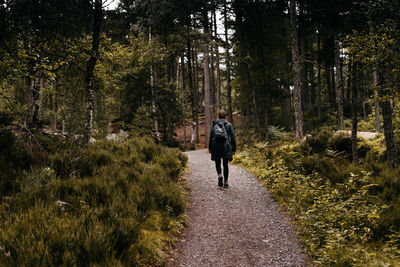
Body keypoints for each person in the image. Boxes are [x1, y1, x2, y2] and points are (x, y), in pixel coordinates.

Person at [208, 110, 236, 187]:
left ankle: (220, 175)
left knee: (217, 162)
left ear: (218, 116)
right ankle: (226, 182)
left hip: (216, 146)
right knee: (225, 164)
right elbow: (233, 137)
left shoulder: (214, 124)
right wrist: (234, 148)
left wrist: (210, 147)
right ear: (225, 116)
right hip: (226, 146)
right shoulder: (229, 125)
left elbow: (211, 137)